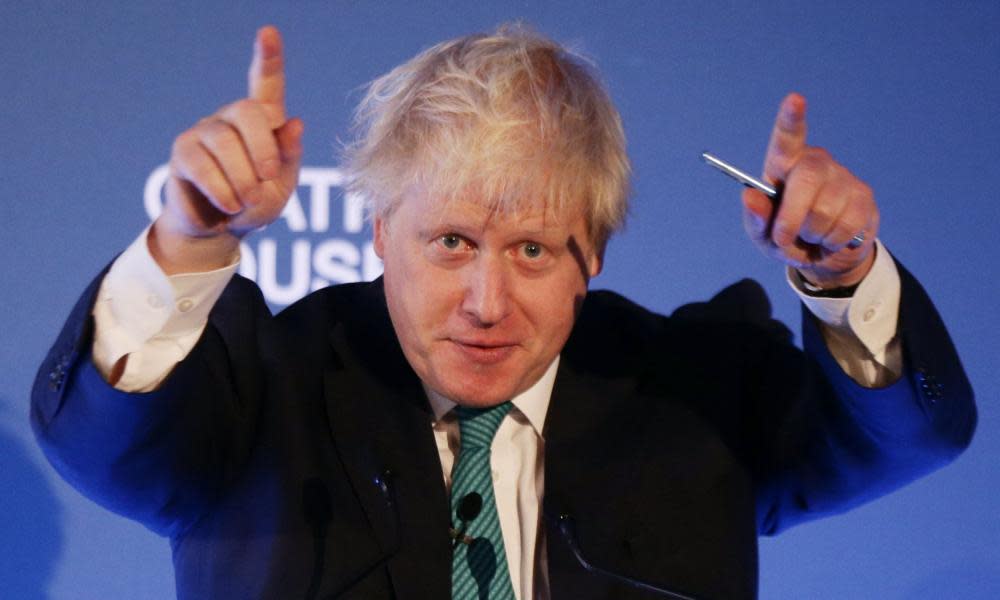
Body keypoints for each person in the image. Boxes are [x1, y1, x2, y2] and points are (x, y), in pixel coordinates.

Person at [32, 24, 974, 600]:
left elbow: (907, 434)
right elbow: (99, 440)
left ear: (591, 256)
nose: (487, 304)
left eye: (532, 250)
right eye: (450, 243)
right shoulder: (265, 386)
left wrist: (843, 275)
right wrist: (189, 239)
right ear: (378, 234)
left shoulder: (696, 392)